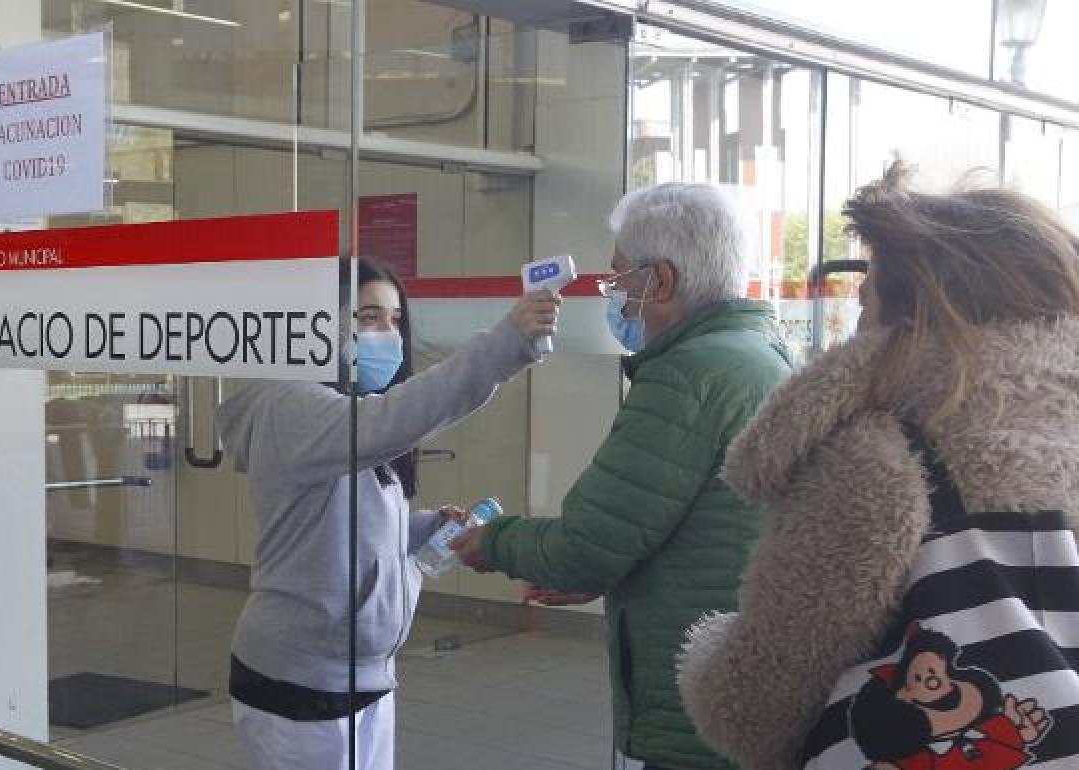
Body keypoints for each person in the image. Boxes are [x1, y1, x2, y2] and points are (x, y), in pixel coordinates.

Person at [677, 162, 1079, 770]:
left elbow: (761, 698)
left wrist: (708, 664)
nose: (856, 325)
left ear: (914, 315)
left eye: (866, 300)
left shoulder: (874, 457)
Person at [451, 183, 794, 770]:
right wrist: (608, 574)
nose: (613, 294)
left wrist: (492, 541)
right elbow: (694, 526)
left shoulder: (690, 373)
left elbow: (584, 545)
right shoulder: (761, 354)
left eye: (618, 279)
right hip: (749, 674)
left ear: (659, 281)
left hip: (699, 698)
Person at [216, 257, 560, 770]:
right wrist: (504, 343)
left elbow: (346, 526)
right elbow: (398, 418)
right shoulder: (291, 405)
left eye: (395, 320)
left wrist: (425, 529)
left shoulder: (347, 404)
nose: (388, 334)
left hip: (366, 675)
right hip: (300, 681)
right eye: (369, 317)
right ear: (319, 321)